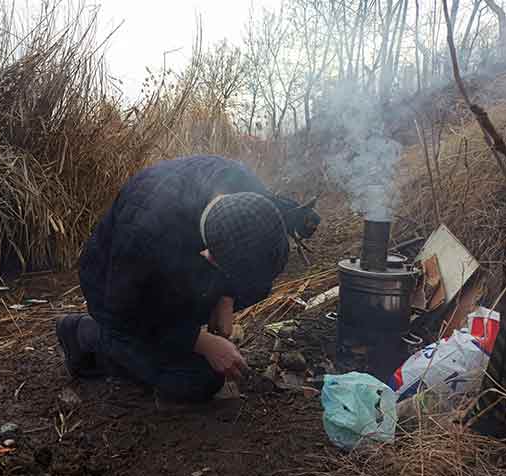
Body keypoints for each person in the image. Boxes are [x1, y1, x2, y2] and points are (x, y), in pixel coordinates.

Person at [56, 155, 320, 402]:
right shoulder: (143, 230)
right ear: (209, 258)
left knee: (256, 286)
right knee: (196, 380)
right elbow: (122, 312)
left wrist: (225, 299)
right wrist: (199, 341)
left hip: (177, 273)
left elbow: (252, 263)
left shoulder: (249, 195)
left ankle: (177, 327)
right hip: (114, 290)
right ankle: (84, 332)